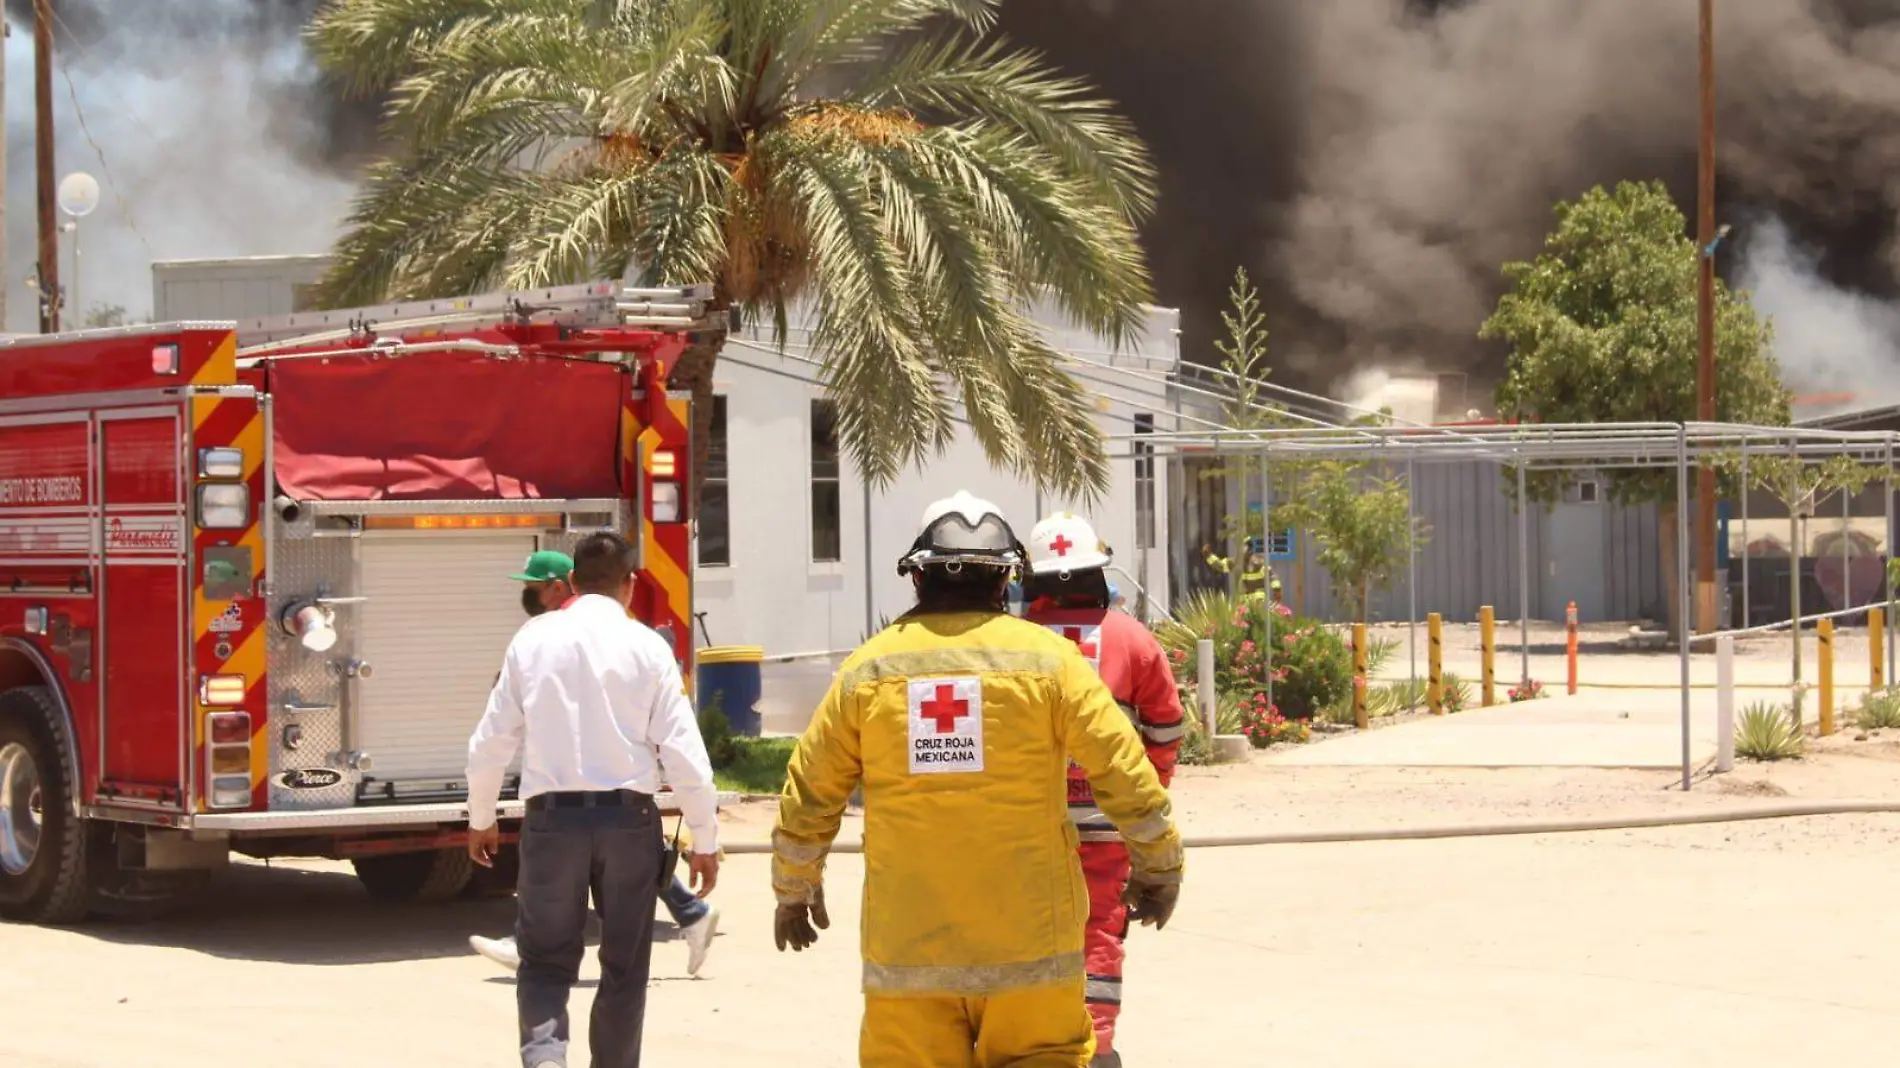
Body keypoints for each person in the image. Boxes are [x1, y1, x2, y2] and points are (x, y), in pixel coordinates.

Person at [771, 491, 1185, 1068]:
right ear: (1005, 581)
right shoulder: (1052, 663)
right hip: (1033, 962)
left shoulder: (867, 671)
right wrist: (1159, 867)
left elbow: (810, 795)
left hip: (909, 965)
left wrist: (794, 887)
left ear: (918, 579)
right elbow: (1127, 774)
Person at [466, 533, 722, 1068]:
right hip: (630, 824)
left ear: (573, 582)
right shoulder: (649, 646)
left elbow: (491, 740)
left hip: (552, 823)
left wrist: (482, 817)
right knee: (625, 966)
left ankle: (544, 1061)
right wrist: (706, 837)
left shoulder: (533, 639)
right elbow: (683, 752)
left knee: (543, 962)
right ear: (630, 584)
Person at [1022, 513, 1187, 1068]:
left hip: (1028, 827)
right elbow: (1165, 728)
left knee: (1024, 931)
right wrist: (1143, 796)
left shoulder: (1015, 643)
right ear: (1099, 568)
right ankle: (1097, 1050)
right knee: (1098, 933)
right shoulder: (1134, 641)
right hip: (1107, 824)